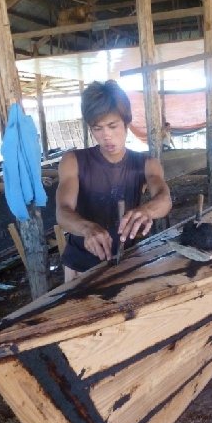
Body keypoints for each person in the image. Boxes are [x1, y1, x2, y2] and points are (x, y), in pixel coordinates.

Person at [56, 80, 172, 282]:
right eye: (97, 128)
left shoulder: (146, 164)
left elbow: (164, 198)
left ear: (126, 123)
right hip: (81, 265)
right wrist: (86, 228)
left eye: (112, 125)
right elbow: (63, 210)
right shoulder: (73, 161)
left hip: (126, 261)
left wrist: (147, 210)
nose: (106, 136)